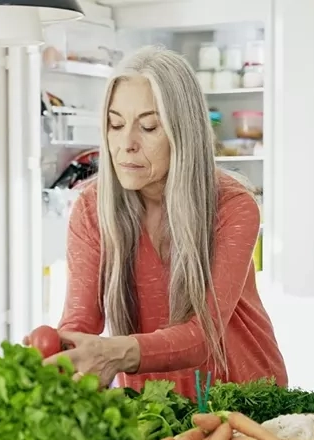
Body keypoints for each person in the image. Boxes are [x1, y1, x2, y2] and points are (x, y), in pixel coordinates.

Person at [34, 46, 288, 401]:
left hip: (246, 399)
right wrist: (60, 351)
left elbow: (202, 335)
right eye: (115, 124)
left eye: (149, 127)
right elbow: (80, 323)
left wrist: (113, 353)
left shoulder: (233, 207)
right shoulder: (92, 209)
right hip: (154, 405)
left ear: (183, 132)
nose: (126, 144)